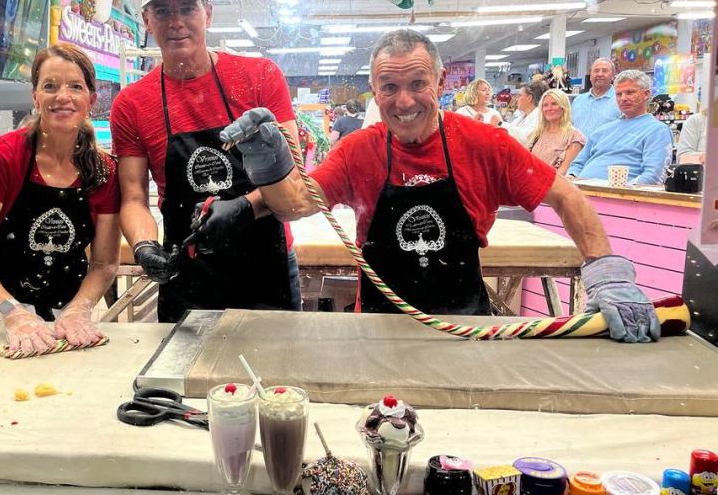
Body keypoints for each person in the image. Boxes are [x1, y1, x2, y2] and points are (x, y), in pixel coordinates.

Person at [216, 29, 660, 342]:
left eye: (417, 84)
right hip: (376, 328)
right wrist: (268, 160)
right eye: (389, 87)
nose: (404, 101)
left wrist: (607, 273)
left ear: (441, 83)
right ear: (374, 89)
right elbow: (294, 204)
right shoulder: (358, 151)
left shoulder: (486, 144)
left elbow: (567, 197)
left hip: (465, 329)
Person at [110, 0, 301, 323]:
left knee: (275, 376)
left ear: (208, 14)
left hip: (265, 264)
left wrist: (246, 206)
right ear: (147, 21)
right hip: (189, 269)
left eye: (187, 8)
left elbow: (293, 176)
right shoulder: (132, 104)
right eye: (162, 10)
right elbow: (134, 197)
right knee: (184, 378)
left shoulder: (259, 77)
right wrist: (144, 246)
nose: (175, 21)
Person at [0, 43, 121, 353]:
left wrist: (78, 310)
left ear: (91, 100)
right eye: (50, 86)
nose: (62, 97)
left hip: (67, 324)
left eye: (75, 87)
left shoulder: (103, 170)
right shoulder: (1, 158)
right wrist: (13, 315)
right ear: (35, 97)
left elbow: (105, 263)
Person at [567, 70, 673, 185]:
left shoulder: (657, 130)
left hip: (619, 197)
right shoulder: (603, 130)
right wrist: (571, 178)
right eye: (619, 94)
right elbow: (577, 165)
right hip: (580, 193)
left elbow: (653, 176)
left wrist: (618, 192)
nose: (623, 98)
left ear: (646, 94)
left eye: (630, 92)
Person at [528, 89, 587, 176]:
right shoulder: (535, 134)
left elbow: (564, 171)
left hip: (553, 186)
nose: (549, 108)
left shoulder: (574, 137)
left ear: (563, 107)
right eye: (545, 105)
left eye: (554, 104)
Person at [572, 58, 619, 139]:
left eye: (604, 71)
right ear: (590, 76)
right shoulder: (578, 100)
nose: (600, 74)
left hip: (605, 151)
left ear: (613, 76)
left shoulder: (620, 101)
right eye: (596, 71)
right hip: (577, 150)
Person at [503, 81, 547, 146]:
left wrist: (500, 123)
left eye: (519, 95)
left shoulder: (539, 117)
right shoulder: (523, 116)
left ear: (529, 98)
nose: (516, 99)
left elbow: (527, 138)